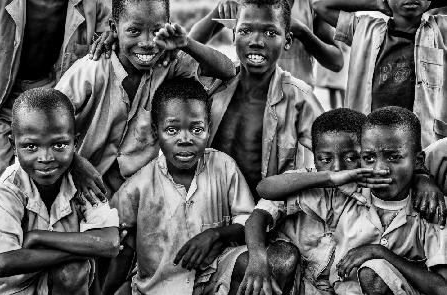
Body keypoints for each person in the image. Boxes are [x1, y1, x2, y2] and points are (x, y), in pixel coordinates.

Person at [241, 108, 447, 295]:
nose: (380, 169)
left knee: (373, 271)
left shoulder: (428, 207)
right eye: (369, 158)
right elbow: (265, 190)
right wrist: (330, 178)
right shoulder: (348, 191)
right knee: (280, 259)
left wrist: (380, 253)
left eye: (393, 157)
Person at [55, 0, 236, 196]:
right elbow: (47, 122)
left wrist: (186, 43)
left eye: (156, 31)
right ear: (114, 28)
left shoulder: (168, 63)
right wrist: (75, 161)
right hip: (76, 186)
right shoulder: (91, 71)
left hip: (133, 192)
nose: (148, 43)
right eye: (134, 31)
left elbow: (227, 70)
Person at [105, 77, 255, 295]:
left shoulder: (223, 165)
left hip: (211, 282)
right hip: (162, 293)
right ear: (156, 132)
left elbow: (248, 220)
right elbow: (119, 242)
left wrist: (216, 234)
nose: (185, 140)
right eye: (172, 130)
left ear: (208, 129)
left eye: (196, 129)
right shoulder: (139, 185)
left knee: (249, 261)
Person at [190, 0, 324, 201]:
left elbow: (334, 151)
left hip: (265, 217)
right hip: (210, 209)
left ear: (287, 41)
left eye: (270, 33)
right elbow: (185, 51)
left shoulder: (298, 98)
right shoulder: (213, 83)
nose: (256, 41)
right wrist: (217, 11)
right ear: (233, 34)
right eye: (245, 31)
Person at [0, 88, 120, 295]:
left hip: (61, 290)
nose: (46, 157)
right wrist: (79, 251)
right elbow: (3, 261)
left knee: (73, 272)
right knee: (76, 263)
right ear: (13, 144)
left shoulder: (84, 180)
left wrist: (37, 237)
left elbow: (109, 243)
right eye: (30, 146)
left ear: (75, 141)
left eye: (59, 145)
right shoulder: (7, 189)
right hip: (12, 294)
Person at [0, 0, 112, 178]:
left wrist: (111, 35)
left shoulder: (90, 5)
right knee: (2, 176)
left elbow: (119, 28)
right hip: (3, 96)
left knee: (50, 174)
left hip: (52, 93)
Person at [314, 0, 447, 148]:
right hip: (371, 142)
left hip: (423, 143)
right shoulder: (364, 29)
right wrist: (377, 4)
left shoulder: (441, 30)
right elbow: (320, 6)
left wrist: (428, 3)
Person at [190, 0, 343, 87]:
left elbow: (336, 62)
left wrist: (303, 32)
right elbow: (190, 44)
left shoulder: (311, 5)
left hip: (295, 105)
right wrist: (218, 10)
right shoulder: (242, 3)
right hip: (248, 101)